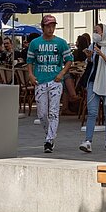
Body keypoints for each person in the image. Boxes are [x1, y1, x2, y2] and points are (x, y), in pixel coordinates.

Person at [27, 15, 73, 153]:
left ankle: (49, 140)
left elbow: (69, 59)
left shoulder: (61, 43)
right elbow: (30, 60)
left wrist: (62, 73)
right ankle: (50, 134)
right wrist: (31, 74)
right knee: (42, 113)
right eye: (48, 26)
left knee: (53, 112)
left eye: (53, 26)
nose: (51, 29)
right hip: (40, 81)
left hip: (55, 81)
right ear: (43, 27)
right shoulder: (35, 43)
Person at [79, 22, 106, 153]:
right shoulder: (92, 45)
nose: (95, 34)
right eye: (94, 31)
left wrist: (102, 54)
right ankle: (88, 141)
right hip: (93, 81)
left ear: (104, 33)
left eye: (97, 31)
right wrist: (89, 57)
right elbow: (90, 63)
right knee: (92, 112)